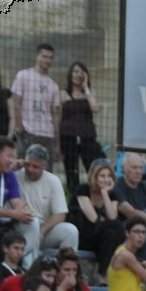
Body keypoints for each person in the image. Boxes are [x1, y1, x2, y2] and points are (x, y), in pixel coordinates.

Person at [14, 145, 78, 266]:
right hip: (20, 226)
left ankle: (65, 269)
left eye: (35, 167)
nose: (30, 169)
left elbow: (60, 215)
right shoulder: (16, 175)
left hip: (42, 228)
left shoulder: (53, 181)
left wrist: (43, 230)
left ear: (45, 166)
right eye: (28, 164)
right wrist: (13, 166)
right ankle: (30, 270)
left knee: (71, 231)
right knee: (33, 224)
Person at [58, 62, 102, 200]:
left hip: (87, 136)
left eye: (81, 72)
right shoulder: (63, 94)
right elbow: (58, 118)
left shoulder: (90, 93)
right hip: (67, 137)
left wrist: (86, 88)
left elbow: (95, 108)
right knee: (71, 170)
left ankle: (94, 196)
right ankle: (74, 200)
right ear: (70, 74)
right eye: (75, 71)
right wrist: (57, 144)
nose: (78, 75)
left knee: (93, 167)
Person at [10, 43, 61, 158]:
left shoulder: (54, 85)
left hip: (47, 134)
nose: (47, 60)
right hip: (28, 132)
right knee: (24, 170)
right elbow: (16, 103)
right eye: (44, 56)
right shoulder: (23, 75)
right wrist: (19, 128)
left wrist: (57, 142)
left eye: (50, 57)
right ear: (36, 56)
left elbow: (55, 115)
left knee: (46, 173)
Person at [74, 159, 126, 269]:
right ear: (94, 176)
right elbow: (93, 219)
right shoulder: (83, 190)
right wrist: (109, 222)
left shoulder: (112, 194)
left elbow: (112, 217)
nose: (106, 180)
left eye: (109, 176)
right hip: (83, 234)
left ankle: (102, 274)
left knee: (111, 233)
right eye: (102, 176)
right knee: (117, 227)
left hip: (101, 237)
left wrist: (105, 194)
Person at [107, 218, 146, 291]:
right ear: (127, 234)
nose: (141, 236)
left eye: (143, 232)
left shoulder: (128, 254)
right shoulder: (125, 255)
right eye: (136, 232)